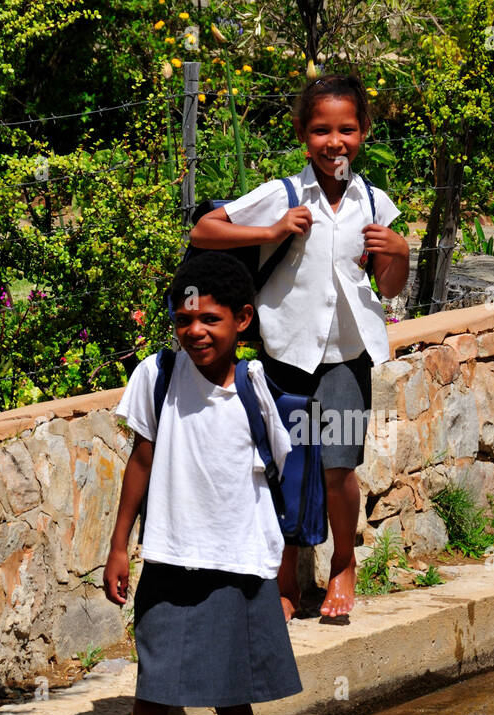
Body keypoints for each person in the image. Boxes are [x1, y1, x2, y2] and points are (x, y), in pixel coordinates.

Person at [93, 253, 301, 715]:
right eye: (184, 320)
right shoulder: (156, 378)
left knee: (233, 694)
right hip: (169, 555)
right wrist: (119, 545)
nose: (195, 332)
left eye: (210, 319)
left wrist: (281, 566)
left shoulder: (259, 390)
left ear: (242, 319)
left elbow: (278, 477)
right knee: (153, 689)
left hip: (239, 562)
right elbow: (141, 461)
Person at [188, 73, 410, 622]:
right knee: (285, 466)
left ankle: (342, 563)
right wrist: (269, 231)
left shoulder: (375, 203)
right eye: (321, 130)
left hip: (344, 359)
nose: (335, 142)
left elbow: (389, 287)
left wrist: (400, 250)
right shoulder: (283, 195)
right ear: (302, 133)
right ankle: (285, 575)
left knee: (337, 467)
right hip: (286, 356)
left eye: (347, 130)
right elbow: (205, 232)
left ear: (363, 132)